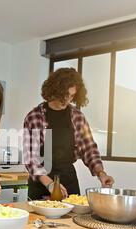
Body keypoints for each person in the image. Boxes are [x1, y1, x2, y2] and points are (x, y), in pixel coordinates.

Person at [23, 67, 114, 200]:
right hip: (42, 184)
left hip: (68, 180)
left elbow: (89, 149)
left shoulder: (77, 117)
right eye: (64, 95)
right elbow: (31, 159)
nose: (66, 100)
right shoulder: (34, 117)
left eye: (71, 96)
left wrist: (101, 173)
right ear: (54, 90)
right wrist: (50, 184)